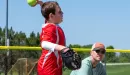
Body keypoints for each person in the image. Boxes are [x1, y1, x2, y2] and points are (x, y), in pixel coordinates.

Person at [35, 0, 75, 75]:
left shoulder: (52, 24)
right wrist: (62, 48)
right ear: (51, 16)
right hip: (48, 68)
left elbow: (47, 16)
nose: (62, 13)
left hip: (55, 67)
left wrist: (41, 4)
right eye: (59, 12)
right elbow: (44, 43)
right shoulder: (51, 27)